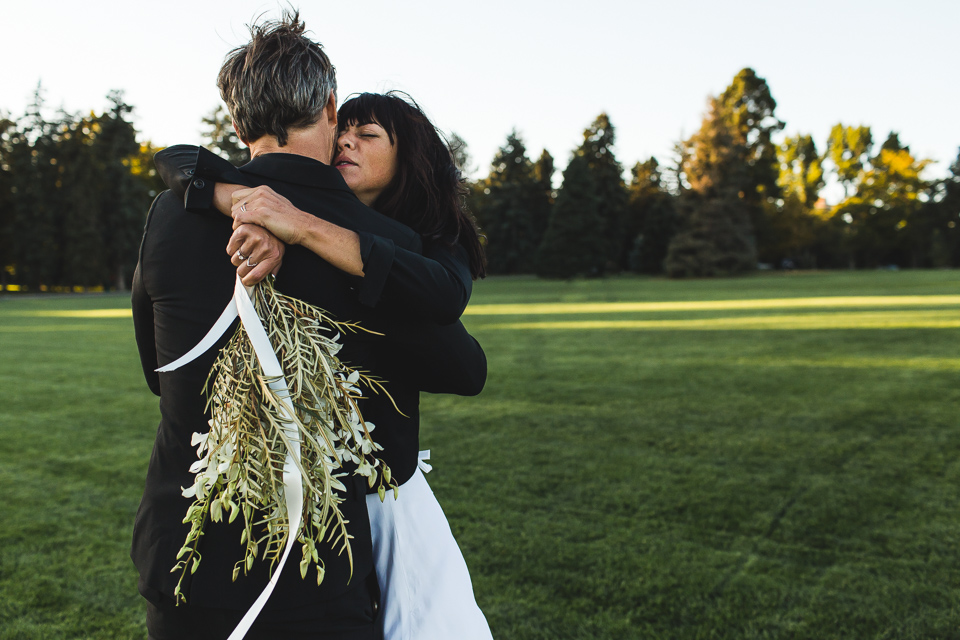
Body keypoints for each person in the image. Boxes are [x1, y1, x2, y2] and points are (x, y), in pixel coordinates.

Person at [133, 13, 485, 640]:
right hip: (313, 573)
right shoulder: (376, 240)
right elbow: (461, 364)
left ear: (238, 124)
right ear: (327, 105)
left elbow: (159, 373)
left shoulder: (171, 215)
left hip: (183, 551)